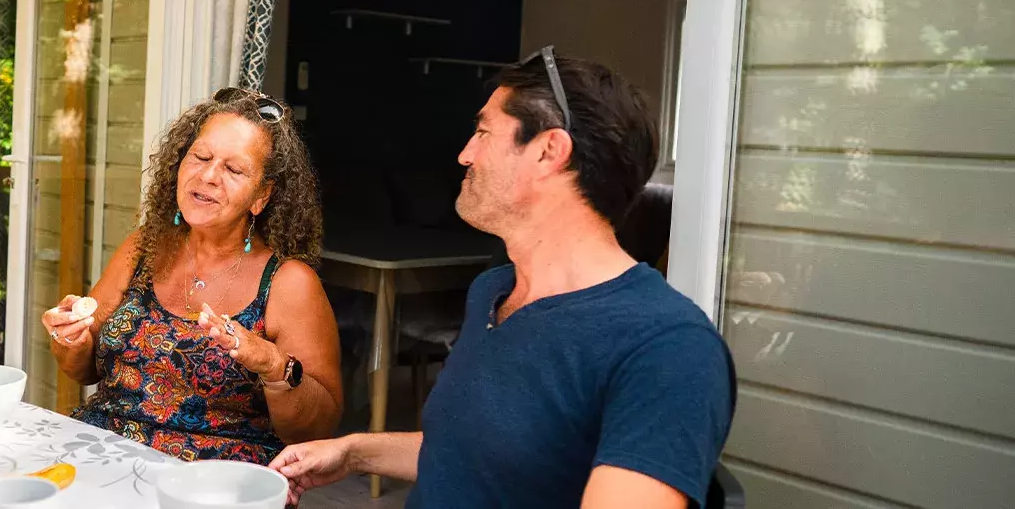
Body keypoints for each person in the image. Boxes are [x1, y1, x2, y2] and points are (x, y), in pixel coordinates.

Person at [271, 49, 735, 508]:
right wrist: (354, 452)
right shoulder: (494, 292)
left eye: (483, 132)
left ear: (549, 151)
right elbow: (476, 453)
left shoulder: (666, 348)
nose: (464, 154)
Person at [42, 88, 343, 465]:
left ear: (261, 197)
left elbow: (317, 429)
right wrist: (70, 338)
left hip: (215, 480)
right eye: (200, 157)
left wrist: (272, 365)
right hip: (107, 457)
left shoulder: (288, 282)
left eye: (233, 169)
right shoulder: (143, 248)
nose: (209, 176)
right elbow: (83, 371)